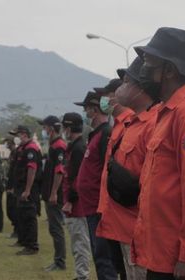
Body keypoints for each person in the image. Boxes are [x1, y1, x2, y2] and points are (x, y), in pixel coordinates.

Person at [131, 27, 185, 280]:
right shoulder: (167, 112)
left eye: (149, 63)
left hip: (180, 261)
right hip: (163, 254)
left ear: (169, 70)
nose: (142, 69)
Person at [97, 56, 159, 280]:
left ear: (140, 88)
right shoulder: (134, 123)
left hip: (138, 229)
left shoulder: (153, 124)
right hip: (121, 224)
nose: (119, 89)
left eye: (125, 83)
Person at [74, 91, 118, 280]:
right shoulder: (95, 135)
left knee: (104, 256)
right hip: (90, 205)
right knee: (98, 254)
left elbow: (106, 170)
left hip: (99, 206)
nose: (85, 113)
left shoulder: (106, 133)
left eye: (86, 109)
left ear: (93, 109)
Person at [61, 112, 92, 280]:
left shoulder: (78, 149)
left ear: (69, 128)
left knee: (80, 243)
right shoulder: (74, 147)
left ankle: (82, 276)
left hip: (77, 205)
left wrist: (71, 201)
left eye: (64, 127)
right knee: (77, 242)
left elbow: (78, 178)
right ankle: (80, 275)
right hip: (74, 203)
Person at [39, 115, 67, 271]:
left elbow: (60, 171)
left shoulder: (59, 146)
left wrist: (54, 192)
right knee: (53, 227)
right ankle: (58, 260)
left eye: (45, 127)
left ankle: (60, 262)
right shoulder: (53, 145)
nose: (44, 130)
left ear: (51, 127)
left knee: (56, 228)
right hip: (49, 192)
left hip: (54, 194)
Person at [9, 125, 43, 255]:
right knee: (22, 215)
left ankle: (32, 245)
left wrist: (27, 190)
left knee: (29, 216)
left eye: (17, 135)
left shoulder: (31, 149)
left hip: (28, 187)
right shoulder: (22, 148)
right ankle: (23, 241)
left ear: (24, 134)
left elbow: (32, 169)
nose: (16, 138)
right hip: (21, 187)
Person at [5, 135, 19, 239]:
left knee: (13, 209)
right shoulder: (12, 154)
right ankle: (16, 229)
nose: (6, 144)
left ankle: (17, 231)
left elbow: (15, 172)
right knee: (10, 210)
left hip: (14, 186)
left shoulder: (16, 153)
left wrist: (13, 187)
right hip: (9, 185)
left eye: (8, 142)